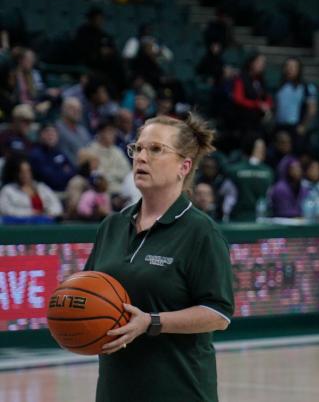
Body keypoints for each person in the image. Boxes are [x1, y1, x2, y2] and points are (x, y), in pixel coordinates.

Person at [83, 113, 234, 402]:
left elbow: (219, 314)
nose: (141, 157)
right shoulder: (111, 226)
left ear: (184, 166)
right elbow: (91, 296)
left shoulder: (201, 232)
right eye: (137, 148)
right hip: (115, 391)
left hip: (179, 390)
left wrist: (152, 322)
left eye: (155, 149)